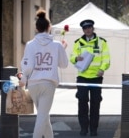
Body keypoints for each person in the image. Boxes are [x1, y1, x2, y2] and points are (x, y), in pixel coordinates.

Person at [19, 9, 68, 138]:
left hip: (33, 84)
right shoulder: (57, 45)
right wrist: (63, 50)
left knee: (44, 117)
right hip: (48, 84)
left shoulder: (29, 45)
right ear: (49, 27)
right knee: (42, 118)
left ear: (36, 28)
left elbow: (27, 65)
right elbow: (64, 64)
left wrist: (24, 78)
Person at [70, 19, 110, 136]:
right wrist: (76, 58)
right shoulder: (78, 42)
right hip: (82, 77)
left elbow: (106, 58)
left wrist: (102, 69)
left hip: (96, 77)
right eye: (85, 28)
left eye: (89, 27)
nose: (87, 30)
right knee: (82, 101)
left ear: (93, 28)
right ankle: (83, 128)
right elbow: (72, 57)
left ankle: (93, 129)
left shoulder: (102, 42)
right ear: (83, 30)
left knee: (95, 103)